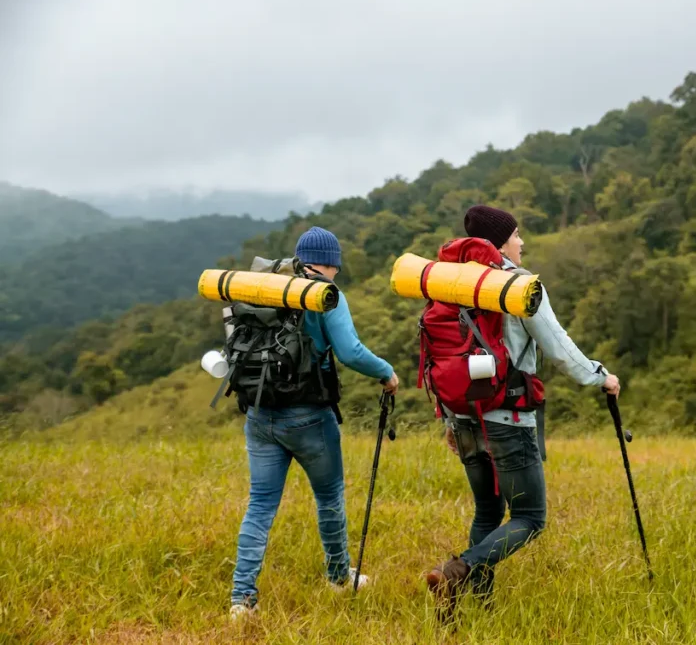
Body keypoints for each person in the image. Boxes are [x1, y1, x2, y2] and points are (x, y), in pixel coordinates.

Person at [424, 205, 620, 618]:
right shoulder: (519, 286)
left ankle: (480, 606)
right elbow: (557, 346)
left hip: (463, 416)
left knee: (488, 511)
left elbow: (441, 354)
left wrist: (449, 419)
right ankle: (457, 570)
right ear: (500, 242)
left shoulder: (451, 283)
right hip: (507, 416)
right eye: (516, 235)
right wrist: (599, 376)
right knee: (529, 517)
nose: (522, 241)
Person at [229, 226, 400, 619]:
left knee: (260, 504)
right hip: (308, 416)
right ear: (331, 262)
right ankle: (338, 577)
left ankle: (241, 599)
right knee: (329, 496)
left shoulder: (268, 288)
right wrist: (386, 372)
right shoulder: (325, 294)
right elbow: (350, 351)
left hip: (260, 413)